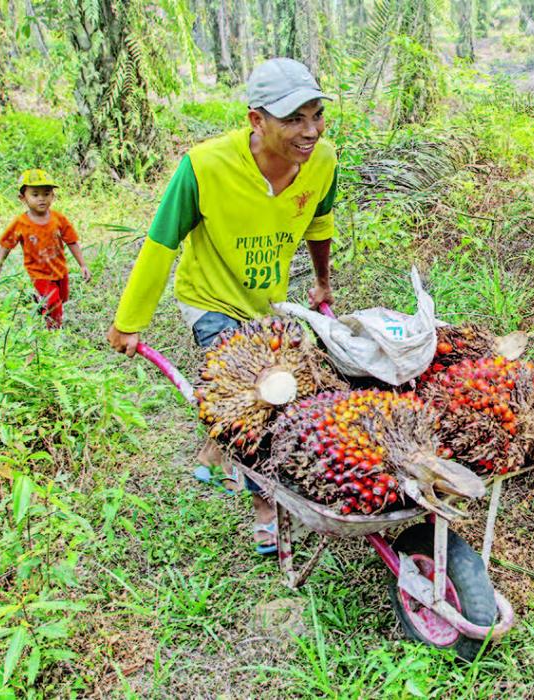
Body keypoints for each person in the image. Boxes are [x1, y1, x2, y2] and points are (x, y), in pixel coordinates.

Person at [105, 57, 339, 555]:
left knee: (278, 387)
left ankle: (213, 448)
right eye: (294, 119)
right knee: (257, 402)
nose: (310, 131)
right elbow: (161, 243)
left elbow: (320, 224)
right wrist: (130, 321)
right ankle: (265, 508)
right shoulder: (204, 167)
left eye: (316, 115)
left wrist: (321, 283)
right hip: (208, 297)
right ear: (256, 120)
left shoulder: (324, 161)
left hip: (267, 301)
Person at [0, 169, 92, 329]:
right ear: (23, 198)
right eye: (35, 195)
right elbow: (7, 244)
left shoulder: (58, 219)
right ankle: (53, 332)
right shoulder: (21, 223)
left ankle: (40, 303)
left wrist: (83, 264)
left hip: (59, 269)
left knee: (62, 298)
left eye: (46, 193)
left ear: (53, 196)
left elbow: (71, 242)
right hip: (38, 273)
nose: (41, 199)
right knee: (54, 302)